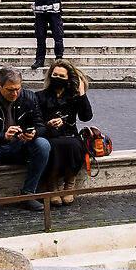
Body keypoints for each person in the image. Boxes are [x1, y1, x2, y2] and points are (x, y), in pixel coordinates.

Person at [0, 68, 51, 218]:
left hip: (19, 146)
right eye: (10, 90)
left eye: (18, 89)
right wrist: (3, 136)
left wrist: (33, 133)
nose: (14, 94)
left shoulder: (30, 97)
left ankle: (28, 193)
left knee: (43, 144)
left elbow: (41, 126)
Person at [35, 60, 95, 207]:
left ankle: (69, 184)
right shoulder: (40, 96)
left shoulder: (74, 96)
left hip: (70, 134)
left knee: (74, 145)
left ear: (68, 78)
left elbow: (86, 117)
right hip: (50, 134)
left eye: (61, 76)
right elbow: (35, 121)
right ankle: (52, 184)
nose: (57, 78)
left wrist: (82, 94)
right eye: (54, 75)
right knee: (53, 145)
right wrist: (48, 124)